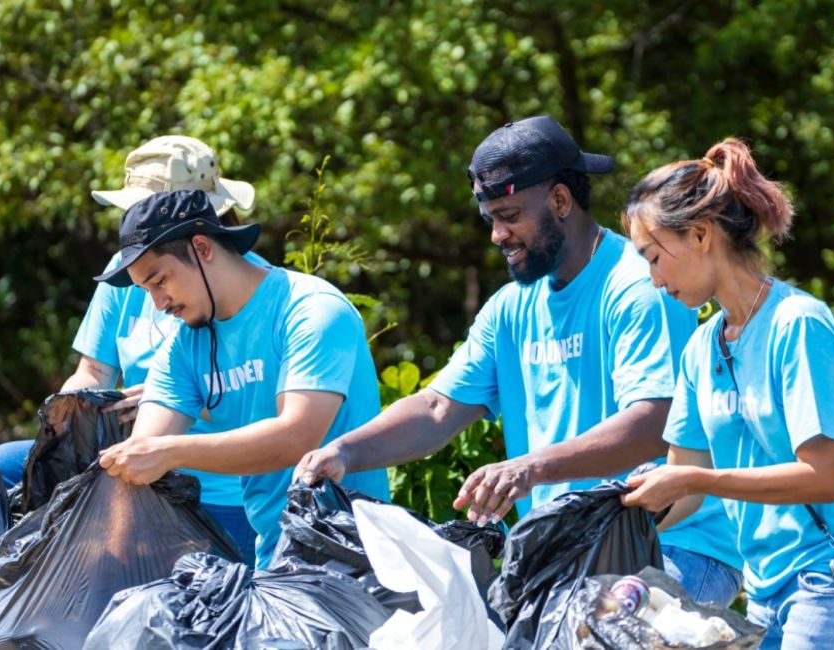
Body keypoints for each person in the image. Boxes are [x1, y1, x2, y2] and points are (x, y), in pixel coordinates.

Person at [295, 116, 743, 606]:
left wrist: (529, 468)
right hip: (567, 555)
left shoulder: (637, 286)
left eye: (509, 215)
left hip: (670, 547)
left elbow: (653, 422)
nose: (497, 234)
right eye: (490, 218)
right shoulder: (510, 308)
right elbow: (437, 410)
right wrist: (343, 452)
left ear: (559, 201)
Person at [618, 139, 834, 648]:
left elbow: (824, 475)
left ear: (701, 233)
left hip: (832, 577)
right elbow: (685, 486)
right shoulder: (701, 349)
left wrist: (694, 477)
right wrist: (615, 512)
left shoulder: (799, 325)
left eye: (654, 257)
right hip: (764, 589)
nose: (654, 280)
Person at [0, 136, 261, 563]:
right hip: (124, 454)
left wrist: (169, 400)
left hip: (211, 480)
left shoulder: (240, 289)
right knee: (1, 467)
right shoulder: (129, 275)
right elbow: (93, 370)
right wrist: (71, 413)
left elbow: (254, 402)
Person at [92, 188, 390, 569]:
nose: (158, 304)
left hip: (355, 556)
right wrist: (107, 561)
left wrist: (169, 452)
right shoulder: (187, 346)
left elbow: (296, 438)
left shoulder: (311, 311)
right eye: (147, 290)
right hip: (275, 561)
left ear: (202, 248)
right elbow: (142, 449)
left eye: (160, 281)